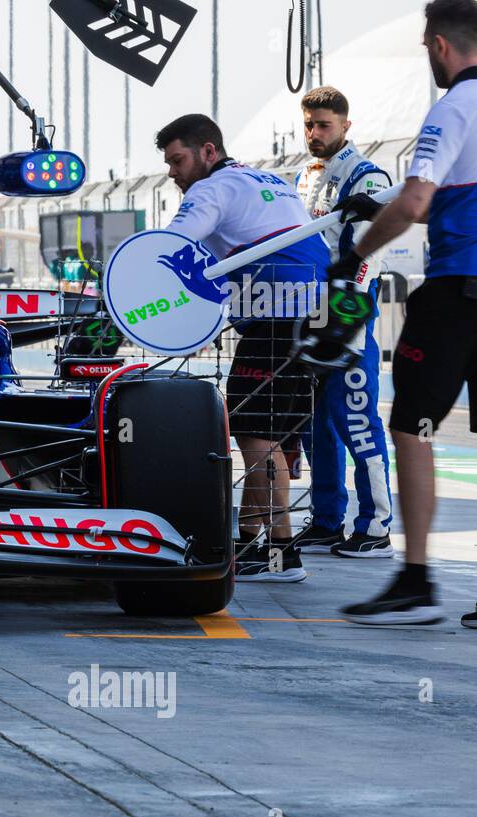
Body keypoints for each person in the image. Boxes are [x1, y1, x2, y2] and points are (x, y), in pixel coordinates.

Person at [330, 0, 477, 627]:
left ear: (440, 45)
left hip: (457, 293)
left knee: (411, 427)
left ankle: (416, 577)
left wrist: (356, 252)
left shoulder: (452, 107)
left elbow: (417, 199)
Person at [156, 113, 329, 583]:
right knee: (262, 431)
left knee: (258, 435)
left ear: (208, 152)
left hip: (278, 316)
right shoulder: (264, 178)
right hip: (313, 314)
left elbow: (169, 246)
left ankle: (279, 552)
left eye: (178, 160)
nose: (172, 172)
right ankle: (253, 539)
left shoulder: (210, 190)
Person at [292, 86, 395, 558]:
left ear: (346, 125)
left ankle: (375, 527)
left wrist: (342, 319)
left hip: (347, 309)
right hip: (310, 309)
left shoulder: (367, 176)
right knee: (315, 422)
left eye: (324, 125)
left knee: (355, 417)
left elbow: (367, 255)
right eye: (309, 124)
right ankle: (327, 520)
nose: (314, 133)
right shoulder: (303, 176)